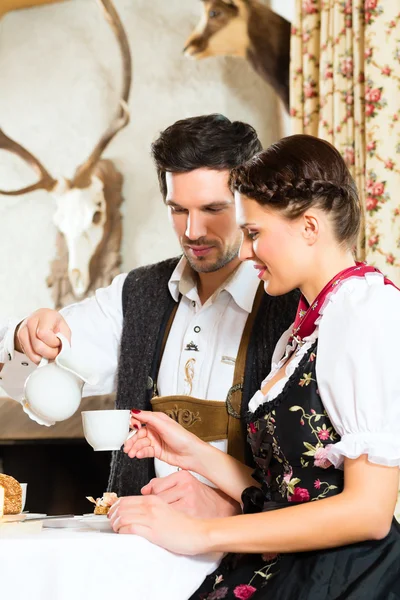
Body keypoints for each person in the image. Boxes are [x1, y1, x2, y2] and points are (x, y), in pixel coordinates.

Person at [110, 134, 400, 599]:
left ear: (309, 227)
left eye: (254, 233)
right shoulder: (306, 327)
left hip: (348, 580)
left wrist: (200, 534)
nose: (244, 253)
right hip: (294, 571)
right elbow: (288, 489)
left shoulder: (366, 312)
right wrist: (189, 450)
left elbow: (368, 513)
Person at [0, 114, 298, 519]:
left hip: (252, 555)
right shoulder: (136, 294)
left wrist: (233, 508)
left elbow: (313, 477)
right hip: (140, 550)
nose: (193, 231)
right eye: (178, 209)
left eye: (213, 209)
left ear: (249, 204)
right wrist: (22, 337)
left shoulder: (291, 301)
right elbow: (20, 386)